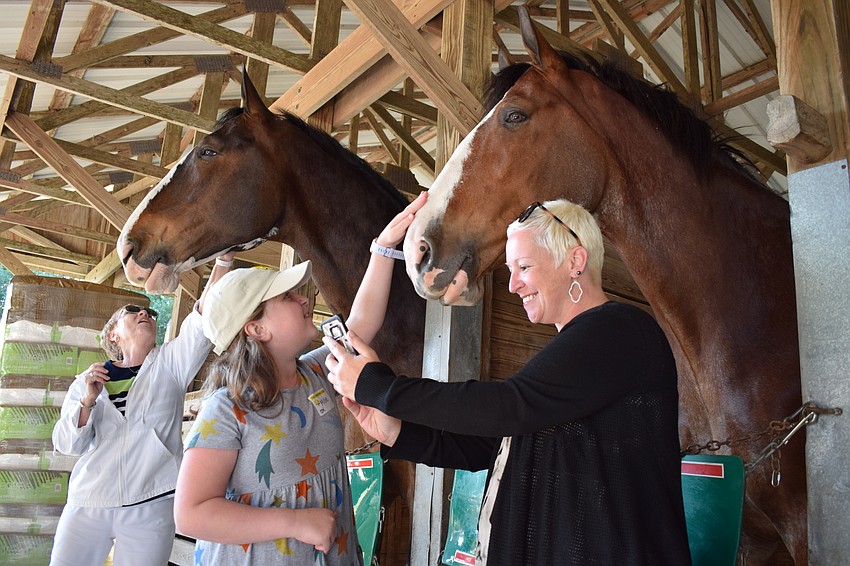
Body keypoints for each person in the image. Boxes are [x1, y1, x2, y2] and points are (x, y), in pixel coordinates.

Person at [324, 199, 692, 565]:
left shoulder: (618, 330)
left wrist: (379, 388)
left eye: (524, 267)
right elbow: (496, 446)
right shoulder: (582, 352)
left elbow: (508, 407)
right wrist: (398, 433)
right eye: (510, 270)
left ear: (575, 261)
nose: (513, 285)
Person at [173, 192, 427, 565]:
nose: (304, 299)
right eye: (287, 297)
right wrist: (295, 522)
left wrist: (384, 248)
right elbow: (191, 513)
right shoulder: (226, 409)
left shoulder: (315, 373)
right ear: (257, 329)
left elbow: (361, 324)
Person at [50, 253, 235, 566]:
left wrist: (223, 262)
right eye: (133, 310)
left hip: (152, 502)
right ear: (112, 333)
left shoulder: (171, 363)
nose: (145, 313)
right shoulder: (88, 379)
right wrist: (87, 401)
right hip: (89, 501)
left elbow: (203, 315)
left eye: (150, 312)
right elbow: (67, 444)